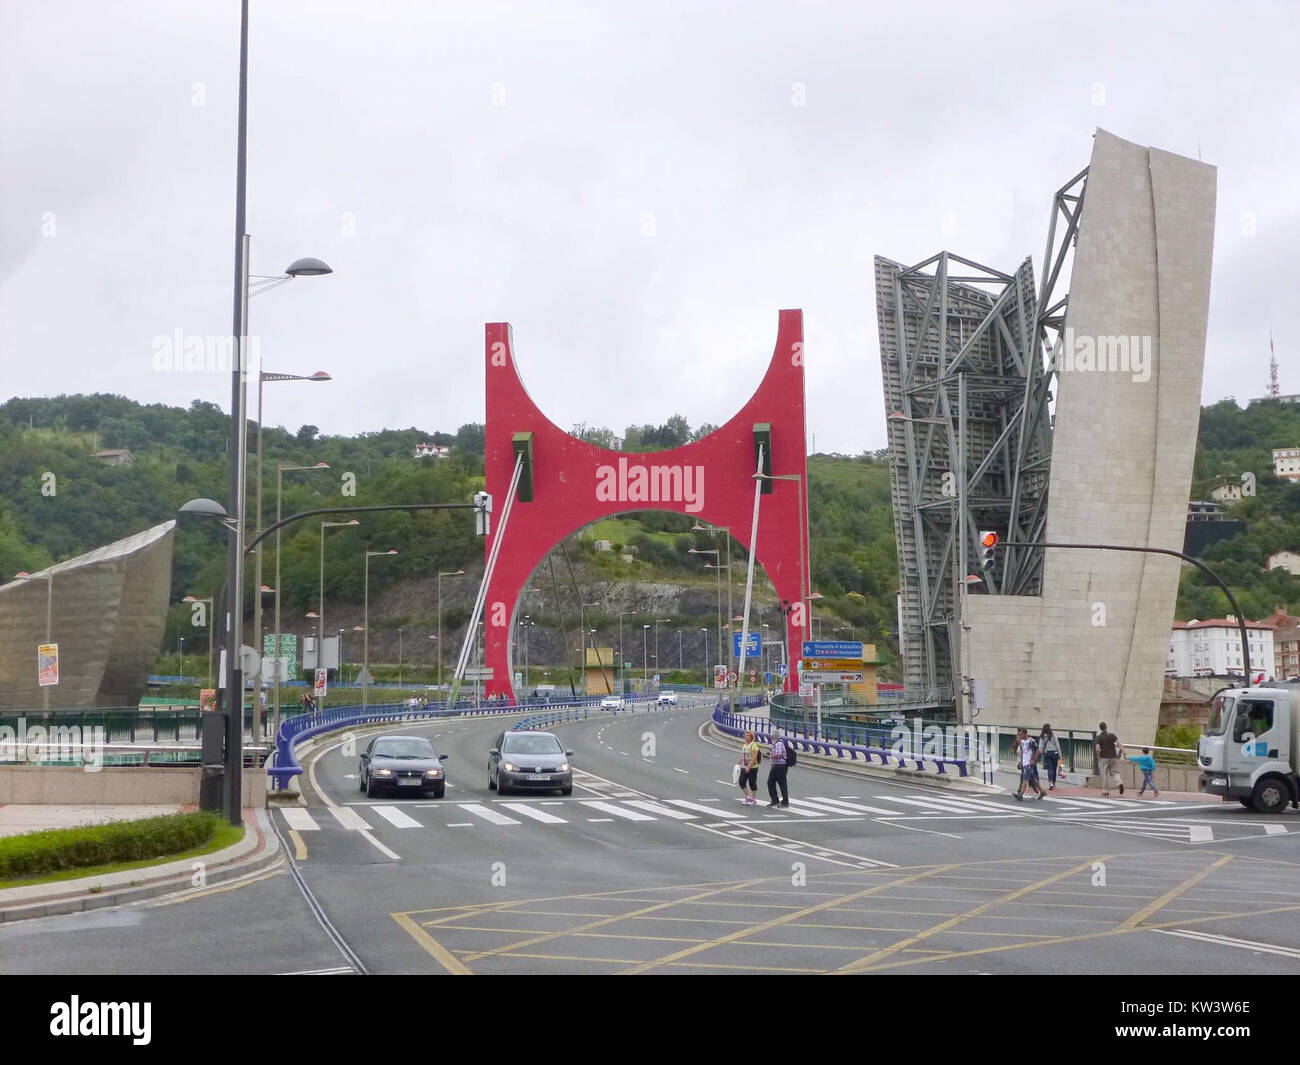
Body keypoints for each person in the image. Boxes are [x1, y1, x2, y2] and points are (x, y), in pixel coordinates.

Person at [1014, 727, 1045, 800]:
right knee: (1033, 779)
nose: (1020, 736)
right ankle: (1042, 791)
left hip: (1029, 762)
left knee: (1025, 778)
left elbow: (1038, 751)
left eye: (1021, 734)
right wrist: (1021, 762)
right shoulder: (1022, 742)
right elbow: (1022, 752)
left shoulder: (1031, 741)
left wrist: (1034, 760)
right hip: (1024, 762)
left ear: (1025, 734)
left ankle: (1020, 794)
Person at [1095, 721, 1125, 797]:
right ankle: (1119, 783)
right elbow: (1119, 744)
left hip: (1103, 758)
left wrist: (1098, 756)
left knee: (1104, 774)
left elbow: (1098, 748)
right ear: (1106, 727)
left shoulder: (1099, 737)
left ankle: (1105, 791)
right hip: (1113, 757)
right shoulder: (1112, 735)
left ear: (1100, 728)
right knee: (1114, 772)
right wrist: (1124, 752)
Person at [767, 733, 790, 808]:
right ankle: (778, 800)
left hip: (779, 766)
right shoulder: (780, 743)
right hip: (778, 766)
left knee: (776, 783)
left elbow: (778, 755)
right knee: (773, 782)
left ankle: (781, 801)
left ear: (773, 737)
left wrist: (770, 756)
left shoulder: (778, 744)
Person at [737, 730, 761, 806]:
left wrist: (749, 766)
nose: (746, 737)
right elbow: (742, 756)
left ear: (751, 737)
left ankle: (753, 799)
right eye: (745, 735)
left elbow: (754, 758)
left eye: (748, 735)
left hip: (752, 767)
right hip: (744, 766)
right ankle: (747, 797)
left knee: (752, 783)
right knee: (741, 781)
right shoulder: (744, 745)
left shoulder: (753, 746)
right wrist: (738, 763)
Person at [1038, 723, 1063, 790]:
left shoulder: (1042, 736)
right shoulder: (1053, 735)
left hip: (1047, 753)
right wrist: (1060, 755)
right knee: (1054, 769)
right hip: (1055, 753)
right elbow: (1057, 745)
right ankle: (1054, 784)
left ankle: (1050, 783)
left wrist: (1039, 755)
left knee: (1049, 769)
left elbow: (1041, 747)